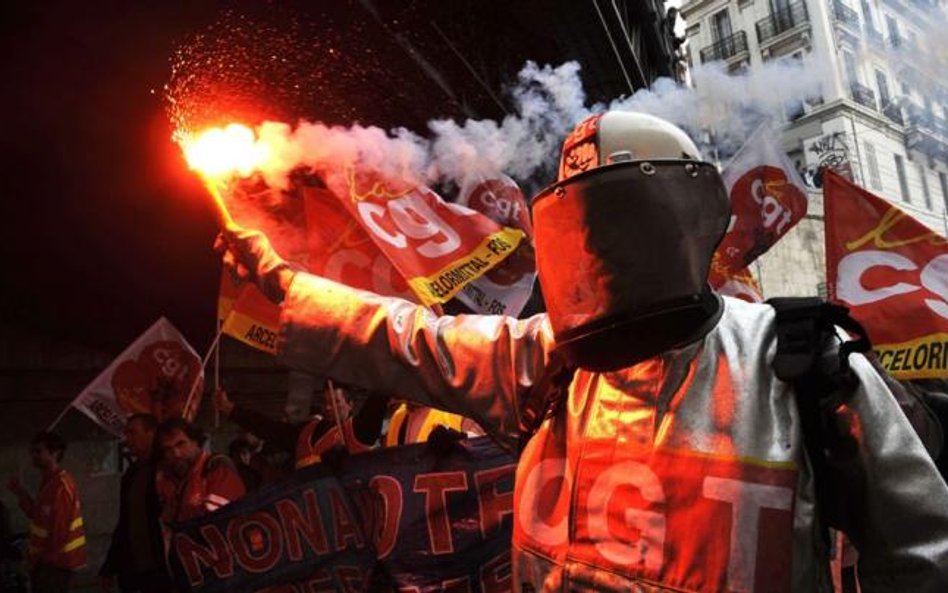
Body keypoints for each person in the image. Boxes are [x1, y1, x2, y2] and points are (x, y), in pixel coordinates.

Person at [218, 110, 948, 592]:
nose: (601, 246)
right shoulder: (546, 361)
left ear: (683, 217)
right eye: (587, 223)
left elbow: (924, 553)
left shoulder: (801, 362)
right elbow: (410, 339)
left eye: (620, 218)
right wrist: (284, 283)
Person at [213, 384, 387, 469]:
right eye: (324, 402)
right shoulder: (306, 431)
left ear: (350, 405)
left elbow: (377, 402)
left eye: (335, 402)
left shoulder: (357, 431)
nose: (328, 407)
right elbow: (268, 428)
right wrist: (230, 409)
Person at [99, 414, 173, 593]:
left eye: (133, 433)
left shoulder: (166, 470)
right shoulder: (132, 474)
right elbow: (125, 521)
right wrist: (110, 565)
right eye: (126, 433)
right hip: (134, 568)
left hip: (162, 567)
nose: (128, 439)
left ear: (151, 433)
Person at [5, 432, 86, 593]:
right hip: (47, 562)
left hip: (55, 563)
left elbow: (59, 533)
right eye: (32, 451)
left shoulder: (60, 487)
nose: (33, 456)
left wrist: (36, 560)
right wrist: (20, 492)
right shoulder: (49, 481)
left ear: (55, 453)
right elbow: (38, 515)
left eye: (38, 451)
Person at [154, 418, 245, 525]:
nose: (176, 453)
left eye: (181, 444)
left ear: (195, 441)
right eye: (168, 449)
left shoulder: (215, 464)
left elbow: (220, 513)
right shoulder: (176, 475)